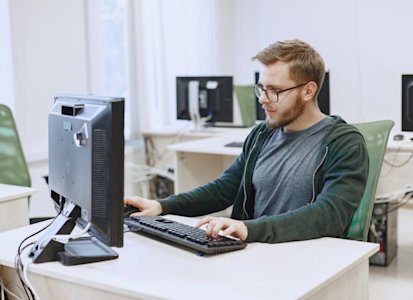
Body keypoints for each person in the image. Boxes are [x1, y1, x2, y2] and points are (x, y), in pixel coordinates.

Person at [124, 39, 369, 243]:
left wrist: (250, 229)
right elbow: (225, 188)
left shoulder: (343, 143)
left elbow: (330, 215)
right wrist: (161, 206)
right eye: (261, 88)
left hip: (306, 257)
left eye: (274, 90)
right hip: (255, 252)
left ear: (308, 91)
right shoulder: (262, 135)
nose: (263, 99)